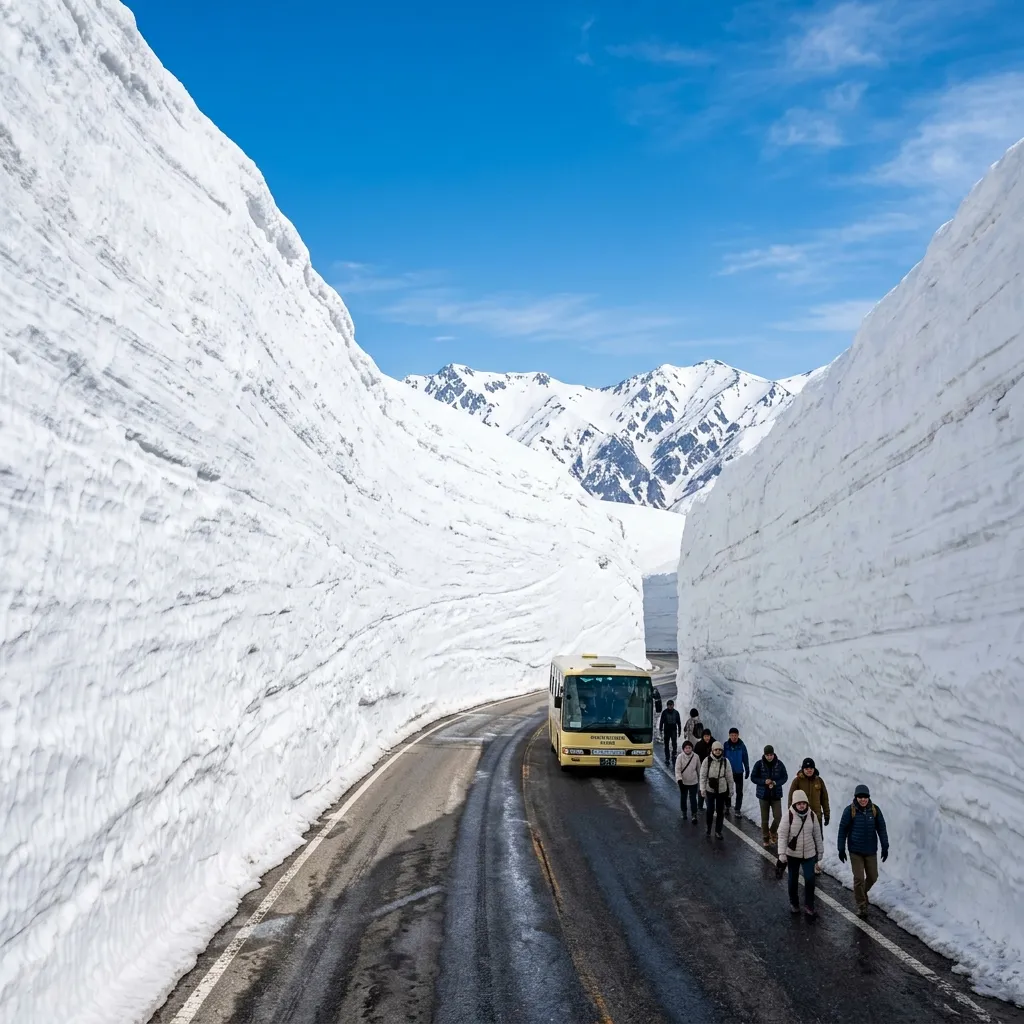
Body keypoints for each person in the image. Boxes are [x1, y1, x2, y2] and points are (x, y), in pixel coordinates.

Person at [837, 784, 890, 917]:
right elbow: (842, 829)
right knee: (859, 878)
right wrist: (841, 848)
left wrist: (885, 846)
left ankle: (861, 893)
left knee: (873, 876)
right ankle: (861, 905)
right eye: (860, 797)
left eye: (865, 797)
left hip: (871, 850)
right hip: (855, 850)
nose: (863, 799)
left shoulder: (875, 810)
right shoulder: (850, 811)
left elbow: (881, 829)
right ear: (856, 797)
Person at [777, 789, 824, 919]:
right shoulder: (788, 816)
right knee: (793, 879)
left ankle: (809, 905)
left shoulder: (812, 816)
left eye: (803, 803)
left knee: (810, 879)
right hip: (792, 854)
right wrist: (782, 853)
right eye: (799, 803)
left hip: (809, 854)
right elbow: (782, 835)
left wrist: (820, 851)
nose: (801, 805)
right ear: (794, 804)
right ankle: (794, 903)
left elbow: (817, 835)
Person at [751, 745, 788, 849]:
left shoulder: (779, 764)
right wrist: (763, 781)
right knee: (764, 819)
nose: (769, 757)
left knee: (778, 816)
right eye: (767, 755)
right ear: (764, 754)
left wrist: (776, 783)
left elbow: (785, 777)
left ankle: (772, 831)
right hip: (763, 795)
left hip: (776, 795)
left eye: (771, 755)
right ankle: (765, 837)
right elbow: (753, 777)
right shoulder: (759, 764)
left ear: (773, 754)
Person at [699, 741, 735, 839]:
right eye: (716, 749)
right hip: (710, 789)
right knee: (710, 810)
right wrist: (702, 789)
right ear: (712, 750)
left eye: (719, 750)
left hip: (722, 789)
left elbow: (729, 777)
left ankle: (718, 831)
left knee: (720, 811)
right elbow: (702, 776)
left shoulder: (725, 761)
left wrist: (731, 789)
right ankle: (708, 828)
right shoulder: (707, 761)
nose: (718, 751)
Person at [788, 757, 831, 828]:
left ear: (814, 769)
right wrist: (791, 814)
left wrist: (827, 814)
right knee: (804, 838)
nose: (809, 770)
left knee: (818, 838)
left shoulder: (819, 781)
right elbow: (791, 798)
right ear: (803, 769)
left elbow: (824, 799)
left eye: (811, 768)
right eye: (806, 769)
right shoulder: (797, 781)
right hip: (801, 816)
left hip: (817, 816)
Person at [722, 727, 750, 815]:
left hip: (738, 771)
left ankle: (737, 809)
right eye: (732, 735)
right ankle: (727, 806)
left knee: (739, 791)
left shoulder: (741, 745)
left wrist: (747, 768)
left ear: (738, 735)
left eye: (735, 735)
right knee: (727, 790)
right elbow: (722, 758)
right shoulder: (726, 745)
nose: (734, 737)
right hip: (728, 771)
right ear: (729, 736)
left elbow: (745, 757)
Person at [674, 739, 701, 824]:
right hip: (683, 782)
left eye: (689, 748)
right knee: (683, 797)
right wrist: (679, 780)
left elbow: (699, 769)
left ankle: (694, 814)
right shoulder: (680, 757)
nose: (688, 749)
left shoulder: (696, 757)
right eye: (686, 748)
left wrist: (701, 780)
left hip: (693, 781)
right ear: (683, 749)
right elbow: (677, 770)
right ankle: (684, 812)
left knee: (693, 798)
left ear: (692, 748)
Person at [693, 727, 714, 809]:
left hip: (712, 769)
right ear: (702, 737)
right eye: (705, 736)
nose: (707, 738)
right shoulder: (699, 745)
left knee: (710, 787)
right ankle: (700, 804)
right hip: (701, 769)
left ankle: (710, 805)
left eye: (708, 736)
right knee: (701, 787)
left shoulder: (714, 743)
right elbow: (695, 757)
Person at [659, 700, 682, 765]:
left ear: (673, 705)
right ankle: (667, 758)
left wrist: (679, 730)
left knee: (674, 744)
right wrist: (660, 729)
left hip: (673, 730)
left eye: (671, 705)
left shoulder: (676, 713)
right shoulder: (664, 712)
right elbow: (661, 722)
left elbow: (679, 722)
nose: (670, 706)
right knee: (666, 744)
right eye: (669, 705)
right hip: (666, 730)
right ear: (667, 706)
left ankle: (674, 755)